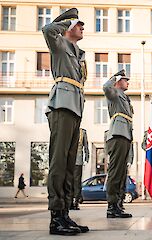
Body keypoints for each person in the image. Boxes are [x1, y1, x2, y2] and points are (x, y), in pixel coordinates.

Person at [42, 8, 89, 235]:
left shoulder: (79, 53)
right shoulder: (59, 45)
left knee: (70, 165)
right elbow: (48, 29)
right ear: (69, 27)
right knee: (59, 162)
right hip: (61, 105)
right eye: (78, 24)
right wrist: (66, 22)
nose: (82, 28)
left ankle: (65, 213)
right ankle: (55, 217)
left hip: (75, 108)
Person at [103, 69, 133, 218]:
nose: (128, 82)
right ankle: (112, 205)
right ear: (119, 82)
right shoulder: (114, 93)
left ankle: (119, 204)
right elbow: (106, 87)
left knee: (122, 173)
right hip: (118, 133)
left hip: (126, 134)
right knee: (115, 171)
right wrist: (115, 76)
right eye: (125, 79)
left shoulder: (126, 98)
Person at [70, 128, 89, 210]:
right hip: (70, 160)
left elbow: (86, 146)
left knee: (77, 182)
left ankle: (75, 202)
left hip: (78, 160)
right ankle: (70, 201)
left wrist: (86, 157)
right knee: (69, 181)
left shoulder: (82, 132)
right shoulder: (69, 129)